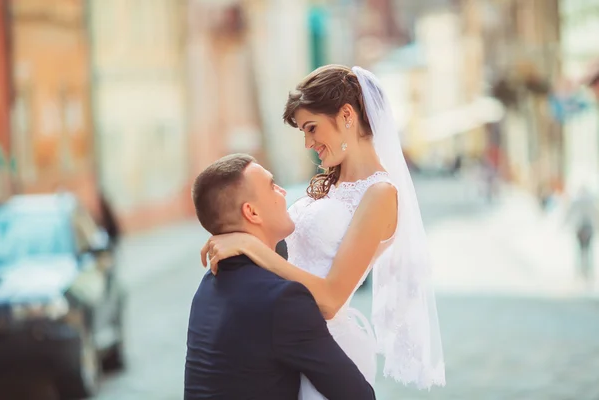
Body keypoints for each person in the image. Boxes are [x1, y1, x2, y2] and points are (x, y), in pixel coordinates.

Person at [202, 65, 445, 399]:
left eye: (311, 128)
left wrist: (250, 247)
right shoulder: (327, 186)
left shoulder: (381, 194)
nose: (307, 142)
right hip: (287, 344)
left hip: (327, 349)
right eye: (304, 131)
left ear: (346, 115)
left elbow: (331, 299)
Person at [185, 154, 376, 400]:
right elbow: (357, 395)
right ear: (251, 212)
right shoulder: (283, 299)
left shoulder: (208, 286)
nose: (283, 192)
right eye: (271, 186)